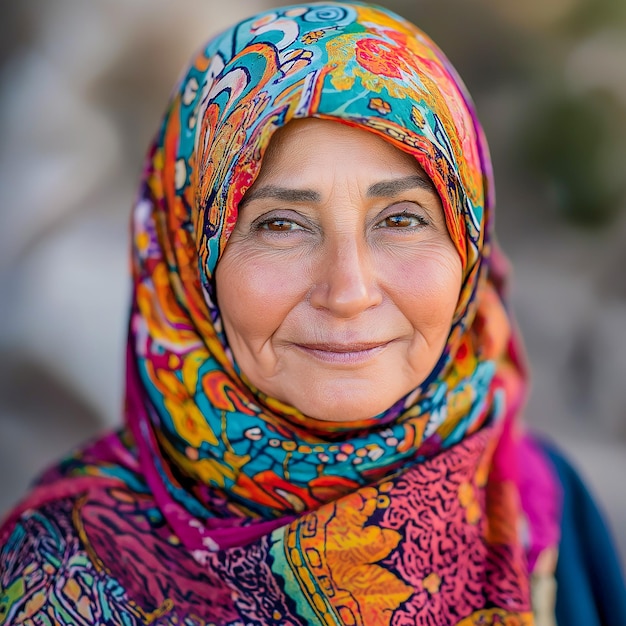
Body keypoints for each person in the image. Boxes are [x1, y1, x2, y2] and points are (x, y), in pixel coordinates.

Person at [1, 3, 624, 625]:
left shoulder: (541, 507)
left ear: (470, 242)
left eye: (402, 219)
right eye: (280, 225)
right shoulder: (58, 569)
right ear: (188, 257)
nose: (349, 290)